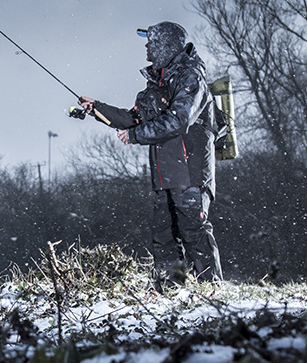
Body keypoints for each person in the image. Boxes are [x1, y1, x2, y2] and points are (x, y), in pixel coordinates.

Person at [79, 22, 222, 286]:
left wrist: (135, 136)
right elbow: (134, 118)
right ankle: (170, 289)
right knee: (163, 234)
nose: (146, 47)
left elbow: (179, 120)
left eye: (151, 42)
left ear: (167, 45)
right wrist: (97, 108)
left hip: (190, 171)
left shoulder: (190, 77)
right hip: (164, 174)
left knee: (193, 230)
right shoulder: (157, 84)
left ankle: (211, 289)